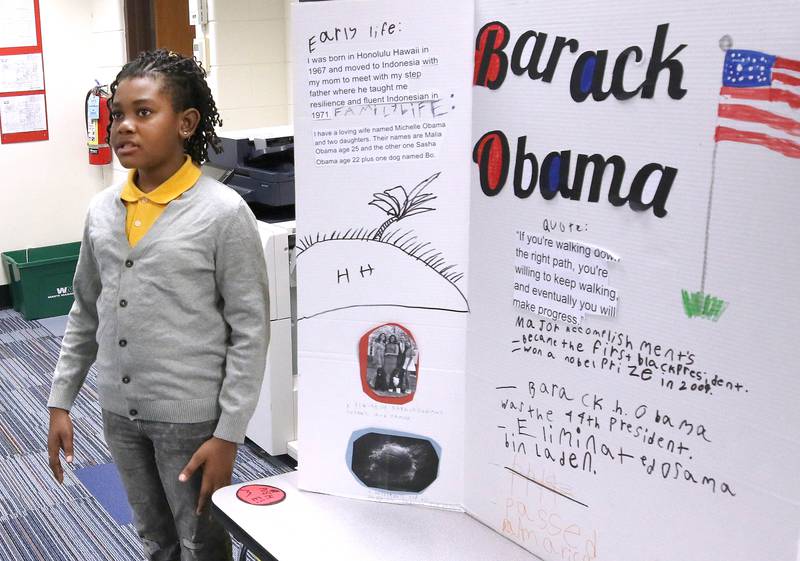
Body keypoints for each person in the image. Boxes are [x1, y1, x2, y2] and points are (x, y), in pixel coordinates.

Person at [46, 49, 269, 561]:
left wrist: (230, 434)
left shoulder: (222, 213)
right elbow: (85, 308)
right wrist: (62, 398)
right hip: (119, 411)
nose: (124, 126)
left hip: (191, 418)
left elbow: (250, 331)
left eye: (143, 112)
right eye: (117, 114)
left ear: (186, 122)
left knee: (201, 539)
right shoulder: (102, 211)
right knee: (154, 536)